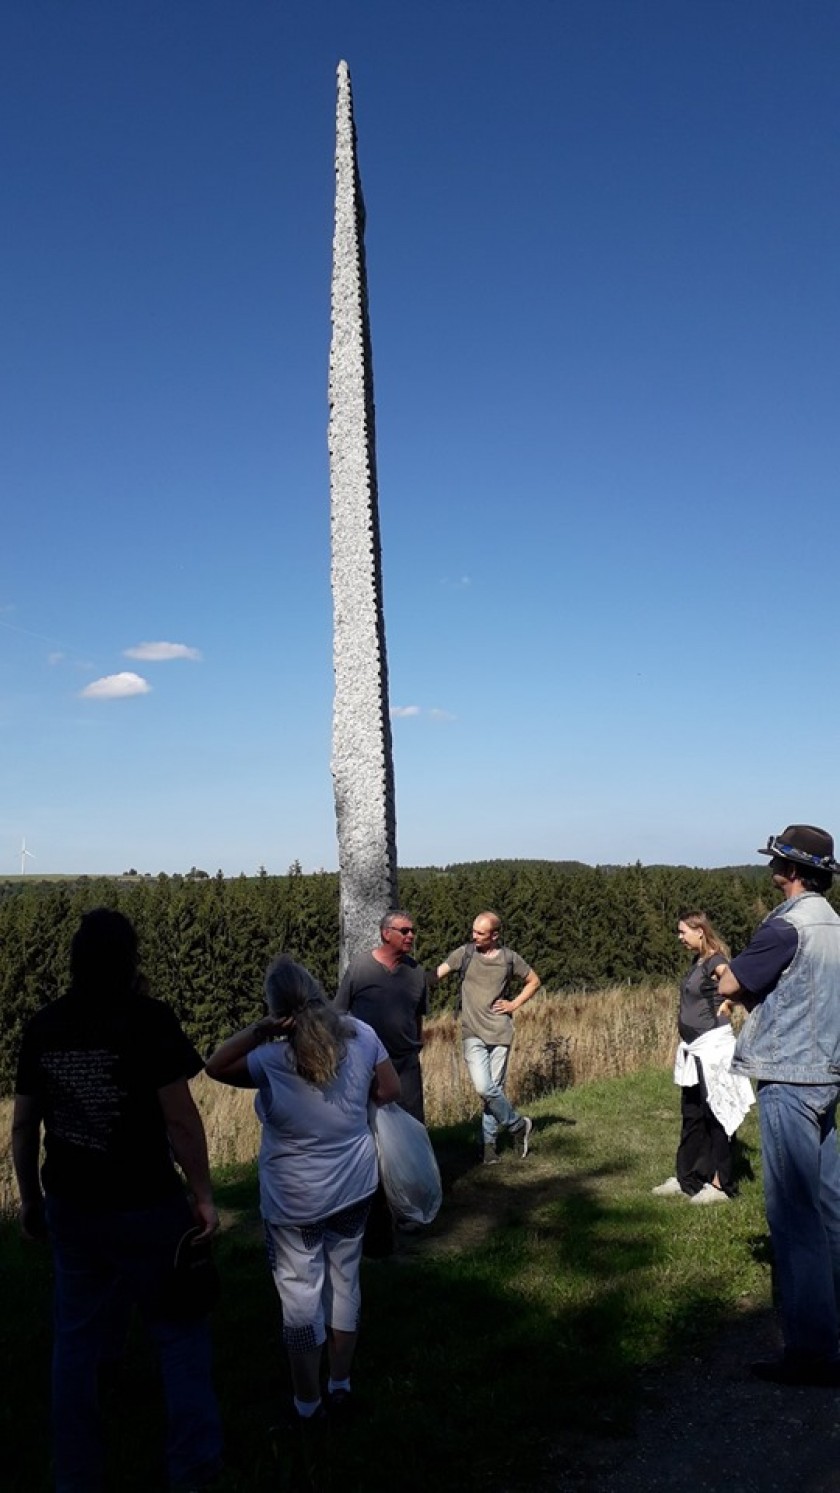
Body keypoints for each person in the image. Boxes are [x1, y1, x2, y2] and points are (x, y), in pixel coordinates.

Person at [11, 908, 223, 1493]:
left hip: (73, 1206)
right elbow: (180, 1119)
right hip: (148, 1203)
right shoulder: (148, 1019)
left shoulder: (44, 1025)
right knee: (179, 1334)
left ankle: (76, 1477)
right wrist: (202, 1196)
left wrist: (32, 1200)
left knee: (75, 1344)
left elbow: (25, 1125)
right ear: (130, 959)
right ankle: (194, 1470)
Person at [205, 954, 399, 1483]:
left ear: (275, 1009)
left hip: (293, 1202)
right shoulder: (359, 1035)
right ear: (316, 991)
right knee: (345, 1283)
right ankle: (340, 1387)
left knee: (299, 1298)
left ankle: (307, 1406)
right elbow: (389, 1091)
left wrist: (258, 1030)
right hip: (355, 1187)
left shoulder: (270, 1057)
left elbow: (215, 1066)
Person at [717, 825, 840, 1385]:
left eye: (776, 865)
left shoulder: (785, 926)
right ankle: (829, 1327)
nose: (772, 873)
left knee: (794, 1216)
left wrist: (723, 969)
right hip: (829, 1073)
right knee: (829, 1205)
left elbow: (732, 984)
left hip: (790, 1075)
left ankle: (812, 1352)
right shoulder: (835, 926)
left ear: (790, 873)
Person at [652, 912, 753, 1204]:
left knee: (717, 1114)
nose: (680, 937)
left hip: (713, 1049)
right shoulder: (697, 961)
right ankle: (689, 1178)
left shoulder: (715, 961)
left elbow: (736, 982)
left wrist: (731, 1003)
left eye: (683, 932)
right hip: (695, 1050)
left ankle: (722, 1184)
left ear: (700, 931)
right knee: (693, 1113)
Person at [436, 911, 540, 1162]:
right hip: (472, 1032)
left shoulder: (509, 959)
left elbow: (534, 981)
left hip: (500, 1031)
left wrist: (513, 1005)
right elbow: (435, 975)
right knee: (484, 1087)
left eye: (480, 933)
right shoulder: (465, 953)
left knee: (493, 1090)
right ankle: (518, 1126)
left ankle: (490, 1149)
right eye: (473, 931)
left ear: (495, 935)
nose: (474, 936)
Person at [333, 910, 427, 1123]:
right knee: (369, 1122)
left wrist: (417, 1043)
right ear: (386, 934)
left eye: (412, 931)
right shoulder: (361, 967)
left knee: (412, 1124)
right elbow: (339, 1011)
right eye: (404, 931)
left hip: (406, 1063)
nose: (410, 936)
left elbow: (418, 1014)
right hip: (368, 1063)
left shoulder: (416, 972)